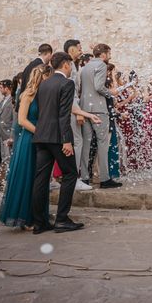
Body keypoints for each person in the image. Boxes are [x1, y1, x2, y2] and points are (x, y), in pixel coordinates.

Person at [31, 52, 84, 234]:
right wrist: (67, 141)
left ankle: (39, 223)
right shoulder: (66, 83)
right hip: (57, 137)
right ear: (66, 65)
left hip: (40, 135)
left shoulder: (44, 83)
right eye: (70, 65)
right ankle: (62, 219)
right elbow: (63, 115)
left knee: (41, 178)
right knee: (70, 174)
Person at [0, 65, 52, 227]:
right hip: (28, 139)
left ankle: (38, 215)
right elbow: (21, 120)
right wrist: (39, 132)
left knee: (39, 178)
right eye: (48, 78)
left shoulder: (43, 95)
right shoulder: (27, 95)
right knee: (27, 176)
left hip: (40, 137)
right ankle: (24, 217)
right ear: (42, 77)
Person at [79, 44, 121, 189]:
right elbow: (98, 86)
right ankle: (104, 178)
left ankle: (84, 177)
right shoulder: (102, 66)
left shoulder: (85, 67)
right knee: (103, 144)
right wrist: (111, 93)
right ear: (103, 54)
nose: (110, 56)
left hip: (85, 108)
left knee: (86, 143)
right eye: (109, 53)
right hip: (98, 109)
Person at [63, 39, 92, 191]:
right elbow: (69, 93)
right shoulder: (69, 67)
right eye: (80, 48)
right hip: (71, 109)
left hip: (73, 107)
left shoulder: (74, 65)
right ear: (72, 49)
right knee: (77, 142)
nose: (82, 51)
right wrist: (78, 112)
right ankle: (74, 178)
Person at [18, 43, 53, 110]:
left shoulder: (30, 65)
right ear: (48, 54)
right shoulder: (40, 67)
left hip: (25, 102)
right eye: (51, 55)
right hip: (32, 104)